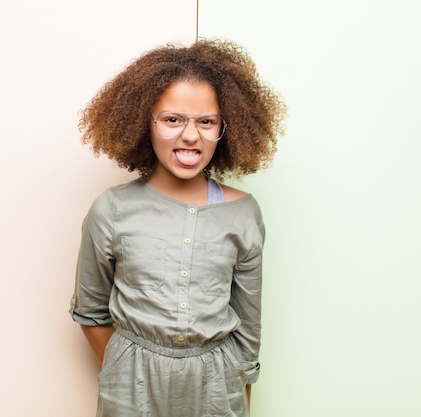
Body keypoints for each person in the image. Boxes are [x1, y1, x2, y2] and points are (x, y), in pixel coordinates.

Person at [70, 39, 286, 417]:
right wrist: (129, 369)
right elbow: (90, 312)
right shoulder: (112, 210)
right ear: (144, 122)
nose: (190, 135)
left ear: (225, 127)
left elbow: (248, 328)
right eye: (172, 119)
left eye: (206, 121)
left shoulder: (244, 214)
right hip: (130, 388)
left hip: (218, 390)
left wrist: (237, 395)